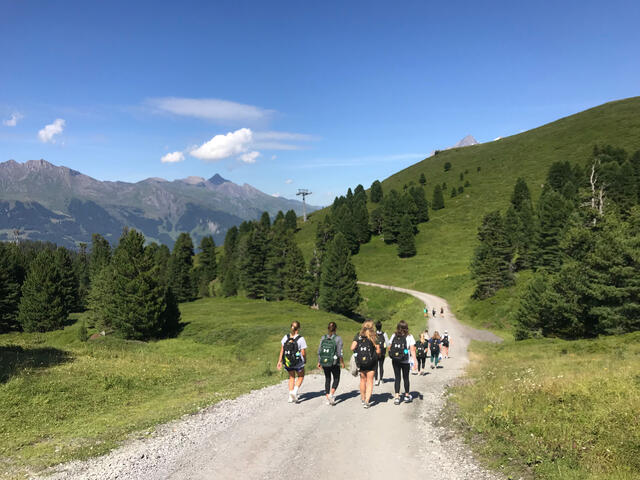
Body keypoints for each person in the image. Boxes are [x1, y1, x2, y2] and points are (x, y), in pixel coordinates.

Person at [351, 321, 381, 409]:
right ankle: (367, 401)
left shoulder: (358, 335)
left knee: (362, 380)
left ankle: (363, 398)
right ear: (372, 327)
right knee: (370, 381)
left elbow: (352, 347)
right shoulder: (374, 336)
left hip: (361, 362)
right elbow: (378, 351)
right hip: (371, 362)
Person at [277, 321, 307, 403]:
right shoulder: (301, 339)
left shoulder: (285, 337)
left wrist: (279, 361)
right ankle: (294, 392)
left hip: (288, 362)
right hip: (298, 363)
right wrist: (304, 360)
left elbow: (282, 350)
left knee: (291, 377)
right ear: (299, 328)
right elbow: (303, 352)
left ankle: (290, 396)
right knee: (301, 376)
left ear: (291, 327)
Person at [388, 320, 418, 404]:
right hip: (405, 360)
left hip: (395, 360)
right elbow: (412, 350)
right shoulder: (409, 336)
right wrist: (415, 361)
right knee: (406, 378)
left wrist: (395, 354)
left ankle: (397, 397)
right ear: (406, 328)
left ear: (398, 327)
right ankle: (406, 396)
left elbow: (389, 347)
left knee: (397, 378)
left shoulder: (394, 335)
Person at [317, 321, 345, 405]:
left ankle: (327, 397)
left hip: (324, 361)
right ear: (336, 329)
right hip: (334, 362)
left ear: (328, 328)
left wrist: (319, 361)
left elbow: (319, 351)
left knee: (327, 378)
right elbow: (339, 353)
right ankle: (331, 394)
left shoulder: (323, 338)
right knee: (336, 378)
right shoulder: (338, 338)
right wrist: (342, 362)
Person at [374, 320, 389, 386]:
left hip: (375, 352)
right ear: (381, 327)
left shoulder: (374, 334)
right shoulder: (384, 334)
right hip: (382, 352)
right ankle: (381, 379)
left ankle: (376, 380)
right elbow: (387, 343)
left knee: (375, 366)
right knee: (381, 365)